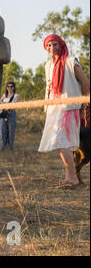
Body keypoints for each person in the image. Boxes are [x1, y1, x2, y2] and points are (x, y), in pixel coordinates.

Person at [38, 34, 90, 189]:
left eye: (55, 45)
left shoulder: (70, 61)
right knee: (63, 143)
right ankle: (70, 177)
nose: (52, 48)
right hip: (53, 108)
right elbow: (49, 87)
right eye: (48, 45)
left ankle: (72, 178)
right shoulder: (48, 65)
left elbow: (85, 82)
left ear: (61, 46)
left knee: (62, 141)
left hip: (68, 106)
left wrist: (83, 103)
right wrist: (47, 107)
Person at [0, 81, 19, 151]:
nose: (9, 88)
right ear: (6, 88)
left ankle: (10, 147)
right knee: (3, 130)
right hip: (4, 113)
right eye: (8, 86)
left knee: (11, 131)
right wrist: (6, 104)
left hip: (11, 113)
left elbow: (16, 105)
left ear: (14, 88)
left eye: (11, 86)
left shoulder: (16, 95)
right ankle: (2, 147)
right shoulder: (4, 95)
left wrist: (4, 104)